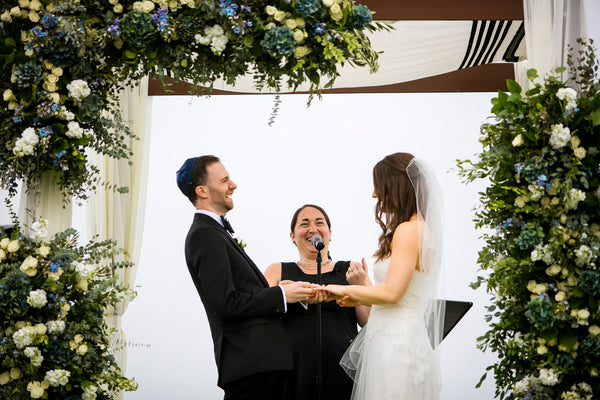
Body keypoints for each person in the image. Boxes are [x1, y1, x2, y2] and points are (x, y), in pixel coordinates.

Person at [178, 155, 315, 399]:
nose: (233, 185)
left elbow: (236, 294)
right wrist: (281, 294)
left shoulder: (215, 232)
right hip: (251, 366)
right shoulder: (204, 236)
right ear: (202, 191)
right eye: (224, 180)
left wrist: (277, 289)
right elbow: (226, 303)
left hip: (262, 364)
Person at [322, 152, 445, 400]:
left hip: (396, 345)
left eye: (378, 186)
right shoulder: (419, 229)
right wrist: (360, 296)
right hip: (394, 338)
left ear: (396, 185)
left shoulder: (409, 230)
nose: (374, 195)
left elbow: (392, 293)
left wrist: (340, 290)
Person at [264, 204, 371, 400]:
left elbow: (369, 322)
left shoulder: (351, 269)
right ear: (292, 236)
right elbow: (259, 315)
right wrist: (282, 293)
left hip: (342, 369)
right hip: (291, 370)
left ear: (329, 233)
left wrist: (360, 286)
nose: (312, 229)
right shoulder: (276, 271)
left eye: (319, 223)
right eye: (304, 224)